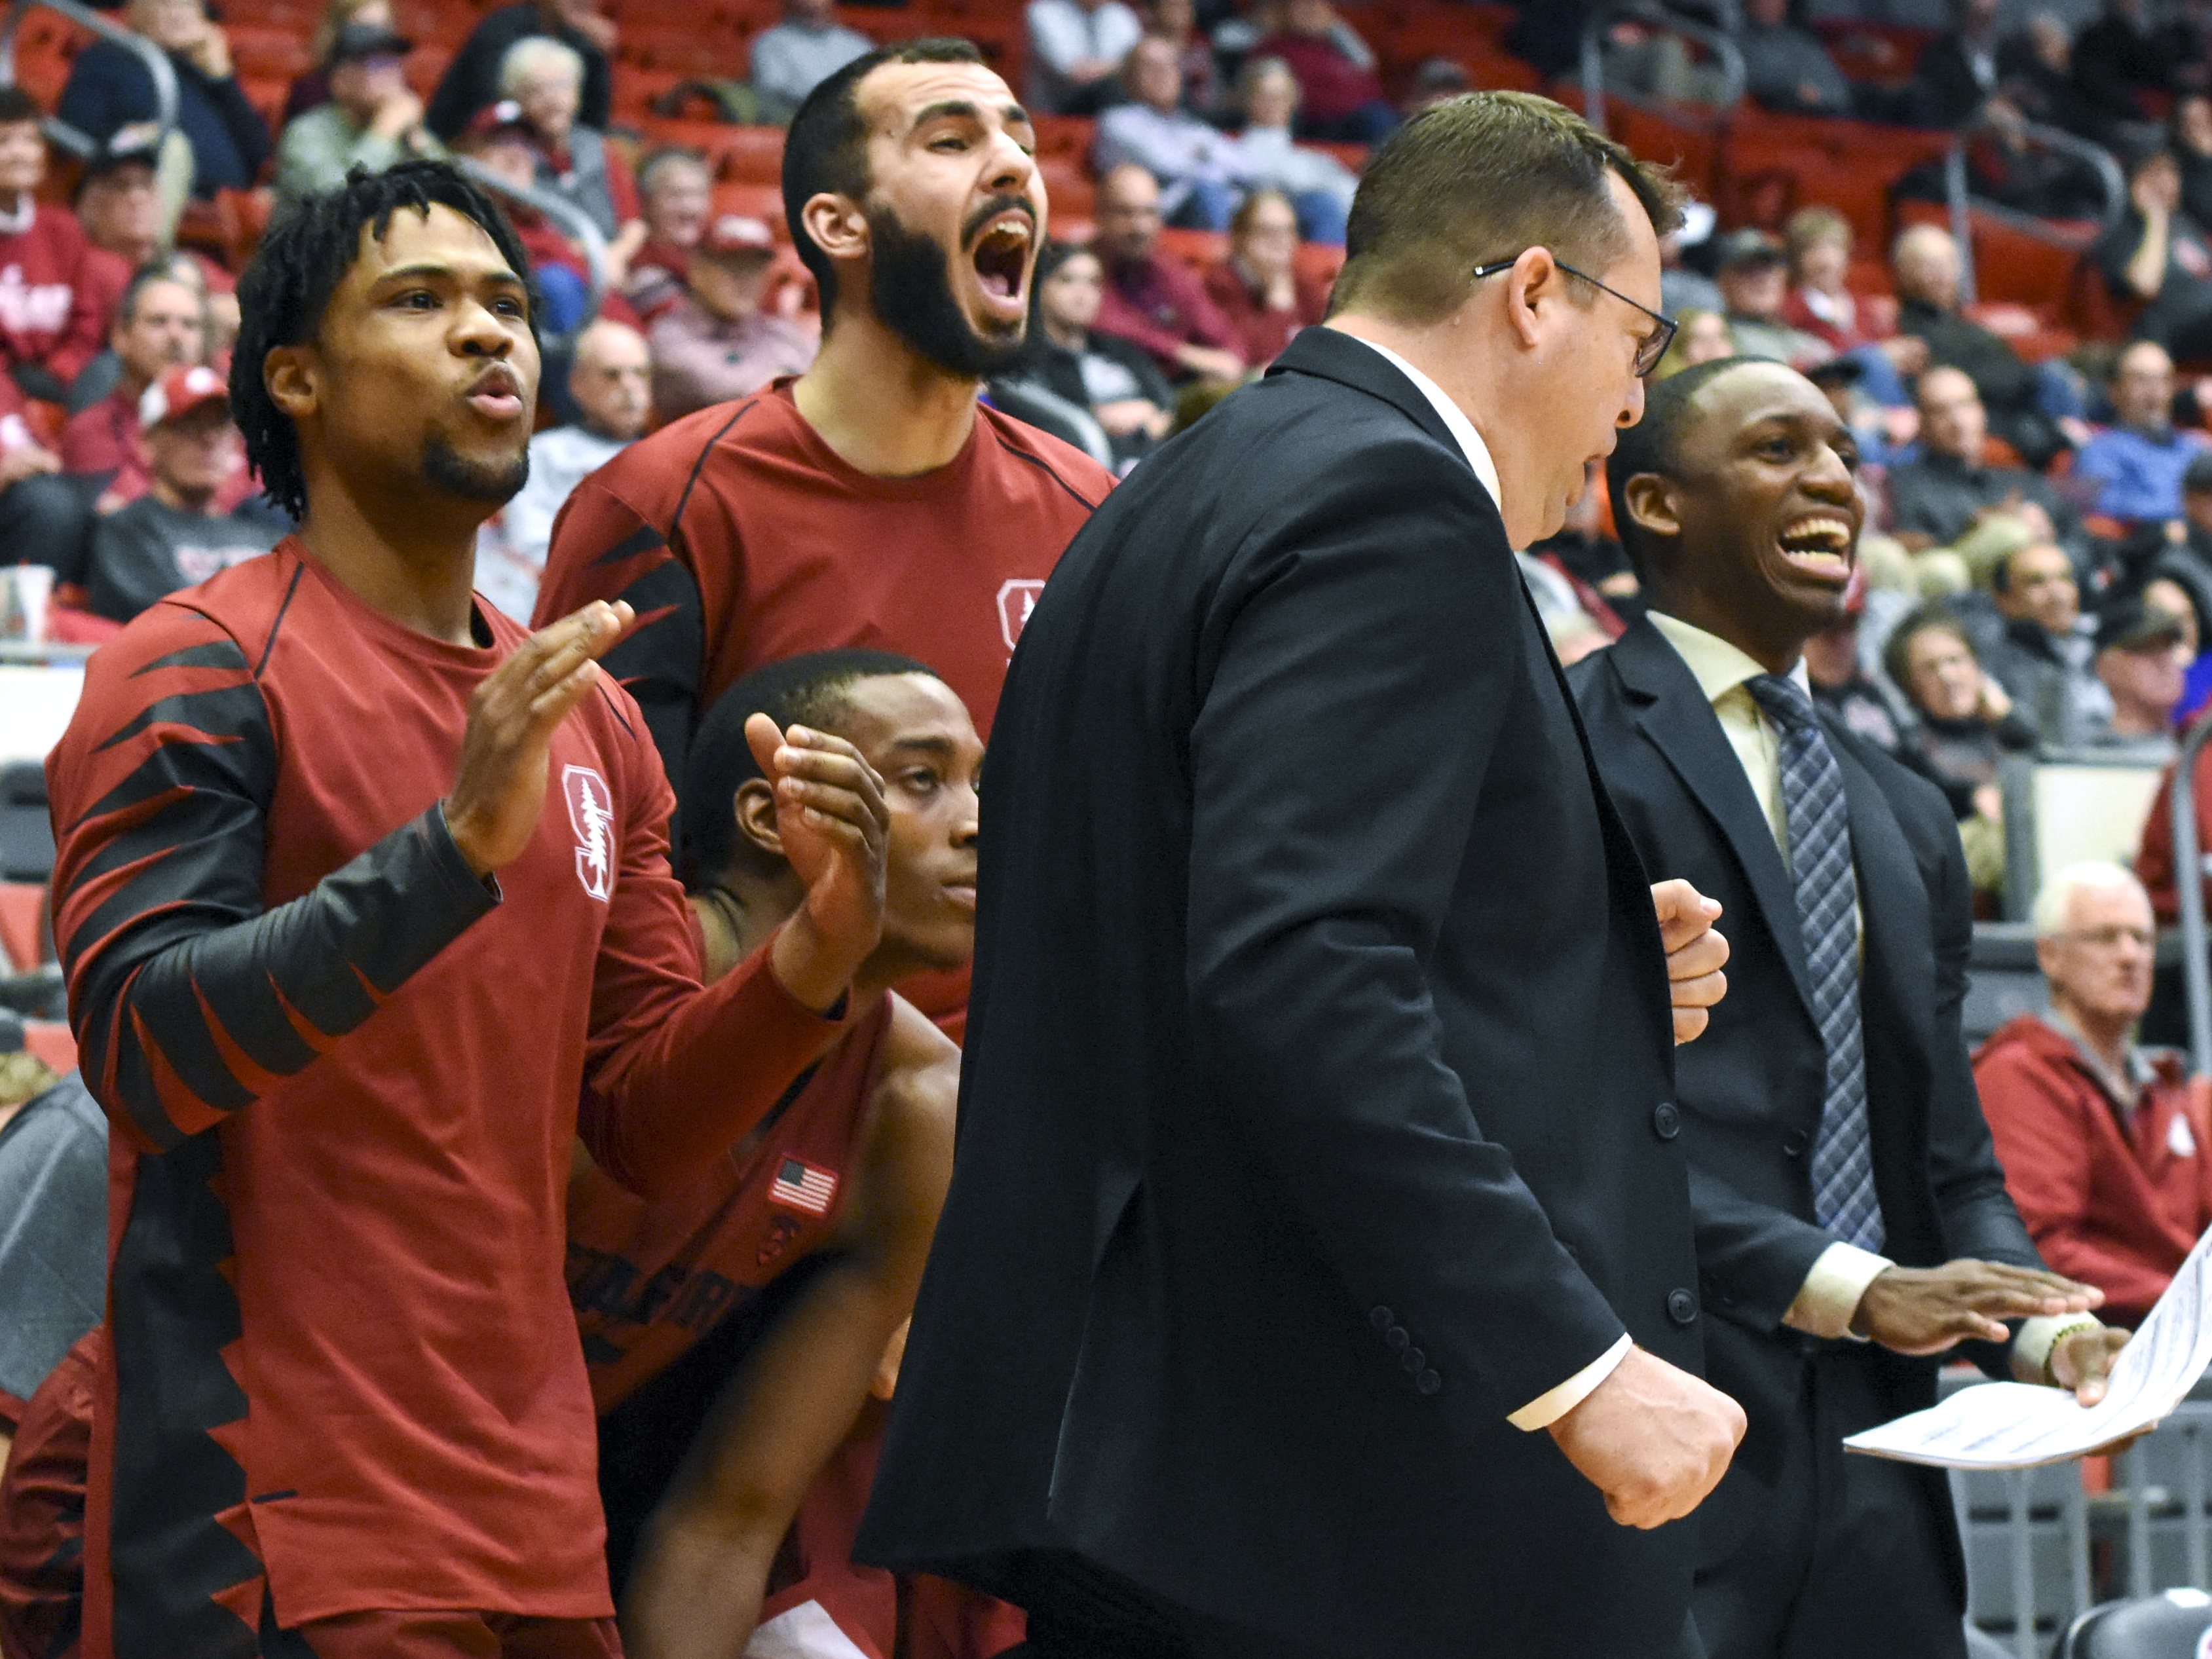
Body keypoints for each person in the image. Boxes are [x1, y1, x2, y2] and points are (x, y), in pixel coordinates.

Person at [859, 88, 1750, 1659]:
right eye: (1641, 338)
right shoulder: (1388, 503)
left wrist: (1583, 957)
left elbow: (1217, 912)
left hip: (1174, 1456)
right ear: (1534, 296)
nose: (1633, 406)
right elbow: (1294, 969)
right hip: (1322, 1483)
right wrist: (1572, 1361)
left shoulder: (1184, 489)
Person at [43, 158, 889, 1658]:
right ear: (293, 377)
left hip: (537, 1516)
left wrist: (806, 967)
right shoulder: (194, 664)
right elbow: (140, 1047)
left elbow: (638, 1120)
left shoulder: (595, 722)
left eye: (507, 301)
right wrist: (443, 854)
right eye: (422, 301)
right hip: (273, 1519)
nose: (491, 333)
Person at [1574, 356, 2123, 1659]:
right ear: (1654, 504)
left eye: (1835, 448)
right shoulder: (1560, 743)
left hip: (1887, 1458)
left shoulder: (1905, 808)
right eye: (1776, 448)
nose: (1829, 476)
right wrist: (1853, 1284)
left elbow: (1941, 1151)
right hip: (1650, 1428)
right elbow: (1559, 1129)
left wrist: (2036, 1327)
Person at [536, 41, 1115, 848]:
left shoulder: (1091, 509)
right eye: (951, 141)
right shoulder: (660, 506)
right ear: (839, 224)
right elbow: (602, 882)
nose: (1014, 166)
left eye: (1020, 141)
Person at [582, 651, 977, 1654]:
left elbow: (722, 1525)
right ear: (772, 817)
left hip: (563, 1519)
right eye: (923, 778)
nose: (979, 822)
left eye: (983, 783)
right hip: (289, 1478)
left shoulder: (915, 1107)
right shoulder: (588, 981)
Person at [1976, 863, 2212, 1330]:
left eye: (2142, 939)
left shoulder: (2167, 1085)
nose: (2130, 956)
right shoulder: (2017, 1073)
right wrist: (2184, 1300)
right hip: (2084, 1350)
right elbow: (2039, 1252)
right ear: (2050, 955)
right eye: (2105, 937)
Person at [78, 363, 280, 622]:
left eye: (220, 425)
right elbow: (169, 628)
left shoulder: (267, 535)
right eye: (190, 425)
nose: (209, 440)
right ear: (148, 443)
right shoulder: (126, 533)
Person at [483, 317, 652, 620]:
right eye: (612, 375)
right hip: (560, 603)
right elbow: (531, 543)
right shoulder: (544, 454)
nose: (629, 387)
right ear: (577, 385)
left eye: (639, 374)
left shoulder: (666, 457)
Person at [1890, 223, 2073, 471]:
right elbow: (1953, 381)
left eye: (1949, 263)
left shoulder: (1966, 324)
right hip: (1986, 410)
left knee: (2059, 374)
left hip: (2015, 402)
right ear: (1905, 272)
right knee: (2050, 388)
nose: (1943, 273)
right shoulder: (1906, 327)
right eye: (1929, 265)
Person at [58, 263, 234, 515]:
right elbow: (125, 521)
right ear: (120, 336)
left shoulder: (229, 425)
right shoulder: (91, 431)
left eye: (189, 325)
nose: (176, 336)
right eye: (158, 322)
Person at [58, 0, 272, 201]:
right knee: (173, 146)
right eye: (164, 3)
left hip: (227, 210)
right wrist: (140, 138)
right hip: (145, 198)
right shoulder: (108, 58)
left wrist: (223, 80)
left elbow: (260, 156)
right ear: (138, 10)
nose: (177, 13)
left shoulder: (204, 73)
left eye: (187, 4)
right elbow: (77, 131)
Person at [1002, 240, 1174, 472]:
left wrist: (1152, 420)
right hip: (1094, 470)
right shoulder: (1027, 359)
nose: (1082, 293)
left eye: (1092, 283)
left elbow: (1166, 402)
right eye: (1067, 280)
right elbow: (1054, 425)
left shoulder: (1119, 348)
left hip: (1155, 459)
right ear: (1039, 288)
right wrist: (1098, 416)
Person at [1886, 366, 2081, 558]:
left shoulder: (2022, 481)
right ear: (1922, 425)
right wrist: (1985, 527)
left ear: (1982, 412)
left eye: (1965, 405)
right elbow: (1919, 557)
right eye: (1940, 411)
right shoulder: (1904, 485)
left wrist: (2051, 544)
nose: (1958, 422)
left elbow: (2082, 543)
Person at [646, 213, 818, 421]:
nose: (744, 279)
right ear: (698, 271)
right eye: (731, 266)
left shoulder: (784, 333)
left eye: (754, 268)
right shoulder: (671, 336)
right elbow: (733, 397)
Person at [500, 36, 647, 280]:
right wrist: (598, 256)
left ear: (577, 91)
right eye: (537, 90)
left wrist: (614, 257)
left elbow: (634, 224)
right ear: (517, 99)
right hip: (555, 269)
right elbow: (529, 234)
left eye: (560, 86)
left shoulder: (598, 146)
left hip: (615, 267)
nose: (552, 99)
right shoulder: (511, 155)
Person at [1089, 163, 1247, 384]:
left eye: (1150, 213)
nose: (1140, 227)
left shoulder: (1171, 271)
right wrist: (1182, 353)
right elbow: (1104, 324)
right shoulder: (1082, 267)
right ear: (1100, 215)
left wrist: (1230, 360)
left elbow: (1225, 339)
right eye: (1126, 213)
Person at [272, 20, 443, 217]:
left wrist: (419, 141)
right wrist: (382, 133)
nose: (390, 78)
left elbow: (451, 189)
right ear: (340, 81)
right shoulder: (305, 133)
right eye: (377, 65)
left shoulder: (404, 135)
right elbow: (337, 202)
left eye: (394, 64)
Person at [1095, 35, 1256, 233]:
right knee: (1208, 190)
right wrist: (1207, 159)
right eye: (1150, 67)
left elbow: (1247, 169)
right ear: (1129, 77)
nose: (1163, 73)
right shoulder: (1117, 123)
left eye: (1171, 66)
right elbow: (1166, 164)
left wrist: (1203, 159)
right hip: (1149, 218)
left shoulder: (1194, 127)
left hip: (1204, 209)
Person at [1981, 540, 2114, 747]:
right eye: (2037, 582)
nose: (2058, 594)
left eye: (2065, 578)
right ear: (2003, 598)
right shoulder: (1991, 663)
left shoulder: (2108, 642)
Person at [425, 0, 616, 143]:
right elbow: (491, 108)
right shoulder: (501, 28)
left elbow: (593, 125)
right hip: (466, 144)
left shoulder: (582, 42)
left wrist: (599, 56)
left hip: (542, 153)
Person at [2076, 341, 2211, 525]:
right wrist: (2187, 512)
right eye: (2141, 380)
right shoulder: (2101, 451)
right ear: (2114, 391)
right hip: (2153, 546)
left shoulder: (2195, 448)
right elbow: (2104, 505)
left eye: (2163, 380)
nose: (2155, 392)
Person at [1230, 58, 1356, 246]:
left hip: (1321, 227)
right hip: (1263, 227)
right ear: (1248, 99)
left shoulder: (1314, 159)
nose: (1274, 103)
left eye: (1282, 95)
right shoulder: (1233, 152)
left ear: (1293, 99)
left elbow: (1358, 199)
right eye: (1265, 95)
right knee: (1323, 204)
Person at [1201, 186, 1330, 367]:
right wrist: (1277, 298)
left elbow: (1330, 339)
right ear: (1240, 236)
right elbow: (1256, 358)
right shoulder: (1221, 282)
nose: (1281, 241)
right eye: (1268, 231)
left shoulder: (1301, 278)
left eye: (1288, 231)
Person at [1247, 0, 1394, 143]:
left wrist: (1337, 28)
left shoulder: (1334, 42)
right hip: (1319, 125)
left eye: (1321, 3)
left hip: (1364, 116)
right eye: (1304, 3)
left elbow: (1367, 66)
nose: (1313, 9)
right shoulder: (1273, 47)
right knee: (1376, 118)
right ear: (1286, 9)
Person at [2090, 593, 2190, 760]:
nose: (2164, 662)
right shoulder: (2085, 761)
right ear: (2105, 666)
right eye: (2146, 650)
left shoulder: (2198, 750)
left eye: (2170, 649)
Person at [1711, 229, 1826, 367]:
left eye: (1769, 268)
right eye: (1749, 269)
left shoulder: (1801, 338)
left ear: (1784, 277)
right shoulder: (1714, 336)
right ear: (1723, 281)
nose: (1762, 279)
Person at [624, 147, 713, 322]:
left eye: (699, 194)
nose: (690, 208)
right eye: (676, 195)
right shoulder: (639, 267)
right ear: (647, 203)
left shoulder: (718, 250)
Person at [751, 0, 876, 121]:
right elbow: (774, 95)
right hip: (793, 130)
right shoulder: (769, 44)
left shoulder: (857, 45)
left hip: (857, 130)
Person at [281, 0, 399, 126]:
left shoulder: (400, 90)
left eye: (381, 29)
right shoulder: (310, 91)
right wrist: (385, 128)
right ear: (337, 33)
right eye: (362, 30)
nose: (374, 39)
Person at [1738, 0, 1854, 117]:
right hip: (1761, 123)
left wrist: (1819, 96)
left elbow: (1839, 93)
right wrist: (1791, 93)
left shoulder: (1801, 44)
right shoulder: (1733, 45)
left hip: (1815, 124)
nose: (1770, 4)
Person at [1024, 0, 1143, 114]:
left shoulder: (1120, 14)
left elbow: (1139, 67)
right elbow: (1078, 74)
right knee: (1112, 88)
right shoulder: (1044, 11)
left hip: (1114, 104)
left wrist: (1125, 67)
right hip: (1060, 108)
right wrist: (1123, 66)